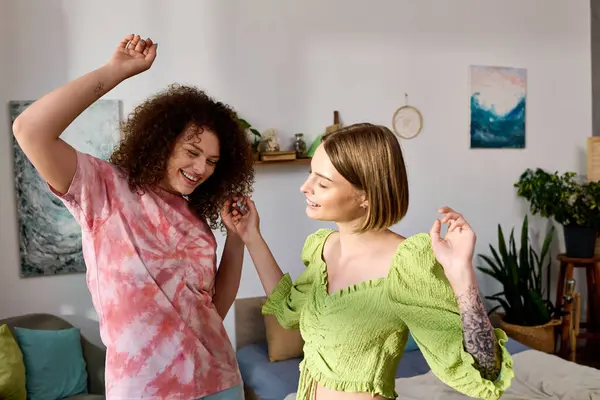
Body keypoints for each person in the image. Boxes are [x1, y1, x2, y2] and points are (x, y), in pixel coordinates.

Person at [12, 33, 254, 400]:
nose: (201, 167)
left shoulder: (194, 219)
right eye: (191, 152)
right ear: (162, 140)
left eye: (212, 161)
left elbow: (213, 310)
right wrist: (116, 71)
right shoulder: (104, 189)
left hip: (219, 382)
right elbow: (30, 130)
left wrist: (237, 238)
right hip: (144, 389)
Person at [227, 123, 514, 400]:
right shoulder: (323, 248)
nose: (305, 187)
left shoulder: (406, 264)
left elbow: (484, 370)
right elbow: (288, 312)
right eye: (310, 174)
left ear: (364, 195)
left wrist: (462, 275)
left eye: (322, 183)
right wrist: (252, 237)